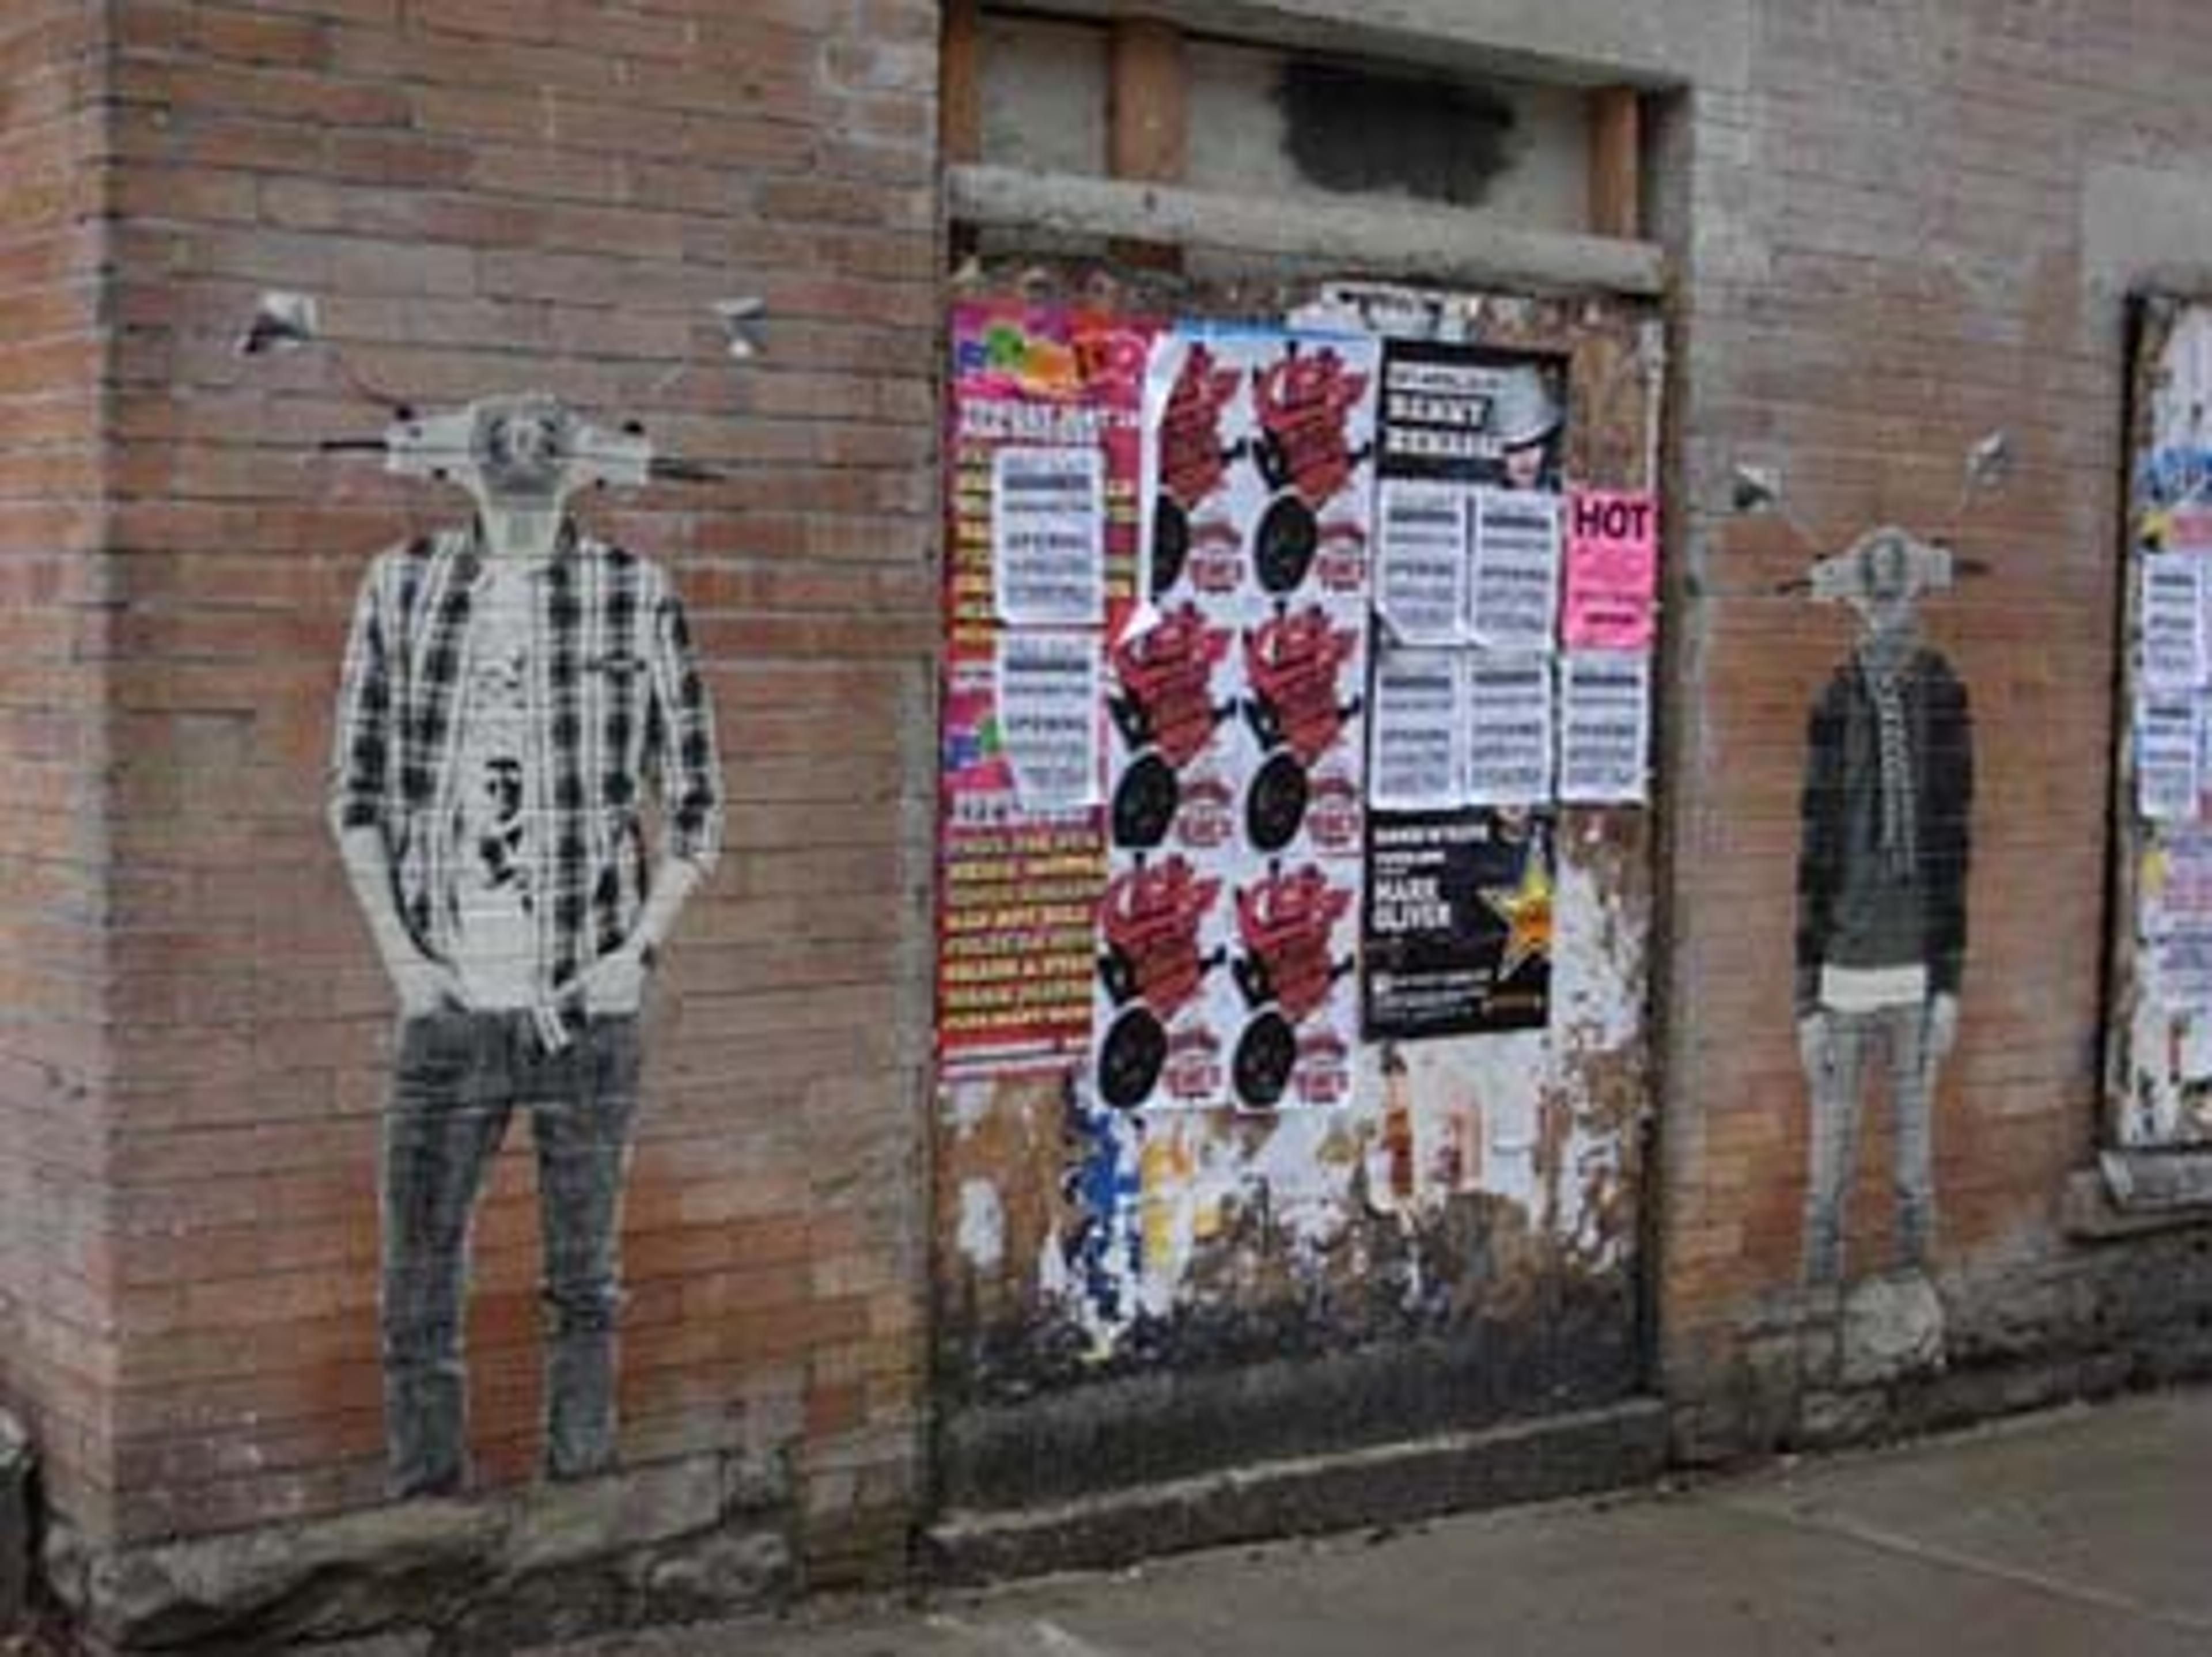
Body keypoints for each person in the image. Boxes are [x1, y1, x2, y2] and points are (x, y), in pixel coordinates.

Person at [327, 394, 722, 1496]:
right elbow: (354, 796)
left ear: (582, 464)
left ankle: (581, 1499)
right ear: (459, 461)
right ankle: (427, 1506)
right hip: (449, 1004)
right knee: (417, 1289)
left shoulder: (634, 592)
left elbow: (698, 808)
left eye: (545, 439)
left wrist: (633, 954)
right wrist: (408, 968)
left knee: (585, 1286)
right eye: (499, 439)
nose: (521, 454)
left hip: (584, 1009)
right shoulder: (402, 585)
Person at [1793, 527, 1972, 1289]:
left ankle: (1919, 1316)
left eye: (1898, 600)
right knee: (1825, 1181)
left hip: (1914, 977)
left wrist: (1949, 984)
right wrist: (1806, 999)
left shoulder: (1943, 694)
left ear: (1915, 600)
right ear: (1858, 606)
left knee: (1913, 1175)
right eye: (1875, 601)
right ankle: (1814, 1319)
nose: (1887, 615)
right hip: (1842, 976)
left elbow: (1954, 842)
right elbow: (1814, 853)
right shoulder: (1836, 700)